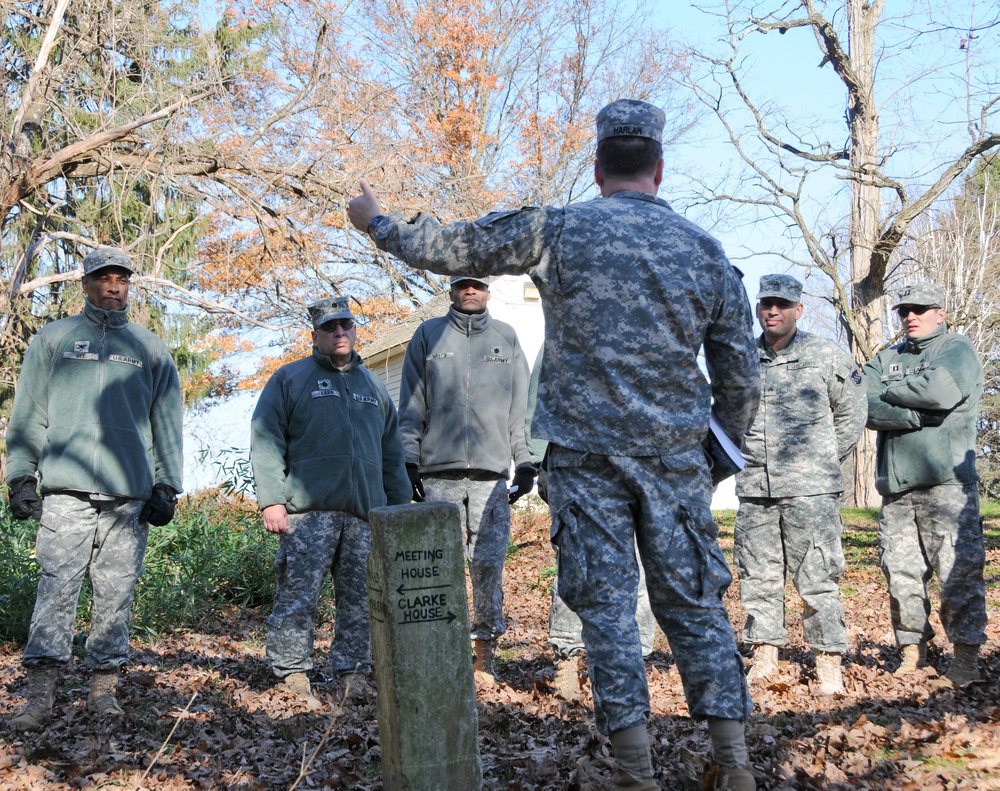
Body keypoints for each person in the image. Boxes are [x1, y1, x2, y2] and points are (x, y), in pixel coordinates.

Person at [348, 99, 761, 791]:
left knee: (606, 611)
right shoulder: (705, 251)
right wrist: (715, 457)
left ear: (597, 168)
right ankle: (735, 764)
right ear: (659, 168)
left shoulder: (558, 229)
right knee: (694, 604)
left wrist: (378, 224)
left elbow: (456, 248)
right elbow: (741, 376)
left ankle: (635, 772)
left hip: (586, 460)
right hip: (674, 461)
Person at [5, 247, 183, 732]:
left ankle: (104, 692)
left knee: (116, 592)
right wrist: (21, 476)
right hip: (66, 492)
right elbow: (28, 414)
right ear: (85, 284)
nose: (113, 287)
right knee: (55, 588)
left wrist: (168, 484)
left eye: (121, 279)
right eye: (103, 278)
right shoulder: (55, 339)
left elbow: (167, 422)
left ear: (130, 286)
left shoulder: (150, 348)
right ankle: (39, 697)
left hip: (128, 497)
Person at [250, 297, 410, 704]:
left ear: (354, 330)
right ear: (315, 335)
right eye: (330, 327)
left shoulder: (373, 386)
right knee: (298, 595)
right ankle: (292, 673)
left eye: (346, 325)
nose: (339, 332)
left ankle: (353, 674)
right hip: (308, 513)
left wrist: (399, 509)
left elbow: (392, 454)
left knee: (360, 600)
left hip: (364, 515)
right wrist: (272, 500)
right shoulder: (290, 378)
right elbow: (266, 440)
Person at [397, 274, 535, 680]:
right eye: (462, 285)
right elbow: (411, 405)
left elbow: (520, 410)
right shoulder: (428, 335)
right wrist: (408, 460)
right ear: (452, 291)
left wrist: (526, 463)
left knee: (488, 566)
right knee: (440, 568)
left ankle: (484, 656)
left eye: (477, 285)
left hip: (491, 478)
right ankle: (445, 653)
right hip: (439, 475)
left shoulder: (506, 337)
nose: (469, 291)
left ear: (488, 291)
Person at [735, 274, 867, 696]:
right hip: (755, 488)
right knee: (758, 576)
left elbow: (852, 413)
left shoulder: (825, 356)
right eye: (766, 303)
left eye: (782, 304)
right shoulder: (741, 358)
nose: (772, 311)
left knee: (817, 576)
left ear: (799, 310)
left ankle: (828, 662)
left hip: (811, 491)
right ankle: (764, 656)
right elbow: (725, 415)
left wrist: (822, 460)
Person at [864, 282, 987, 689]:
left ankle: (965, 660)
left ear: (940, 312)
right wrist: (913, 415)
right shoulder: (888, 357)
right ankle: (912, 653)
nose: (910, 316)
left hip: (947, 484)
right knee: (900, 575)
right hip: (897, 487)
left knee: (957, 575)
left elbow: (939, 391)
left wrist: (888, 396)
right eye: (903, 311)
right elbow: (861, 402)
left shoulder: (957, 348)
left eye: (919, 309)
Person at [525, 347, 657, 704]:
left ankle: (634, 660)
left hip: (636, 463)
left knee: (639, 564)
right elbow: (540, 394)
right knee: (575, 564)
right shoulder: (566, 326)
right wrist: (538, 460)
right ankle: (568, 659)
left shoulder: (649, 329)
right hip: (574, 465)